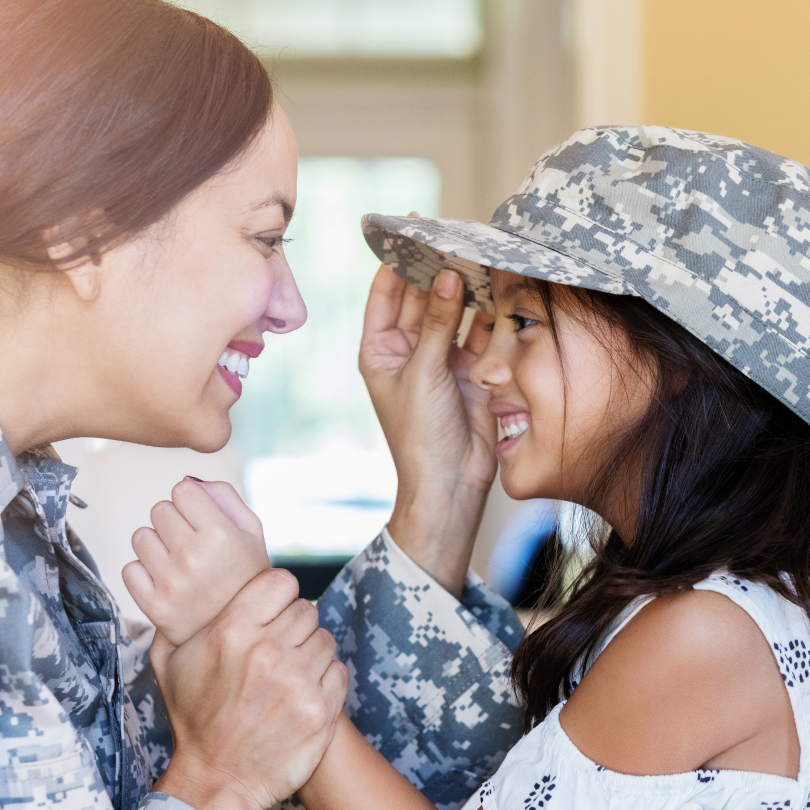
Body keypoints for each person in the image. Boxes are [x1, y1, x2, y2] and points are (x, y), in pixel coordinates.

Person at [299, 125, 810, 810]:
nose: (482, 366)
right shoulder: (708, 605)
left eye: (525, 322)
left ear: (676, 355)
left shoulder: (703, 631)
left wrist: (279, 694)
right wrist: (441, 483)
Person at [0, 1, 353, 808]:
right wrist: (220, 777)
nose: (291, 307)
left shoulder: (35, 530)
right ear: (79, 237)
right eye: (265, 238)